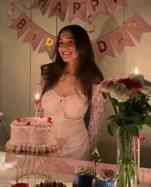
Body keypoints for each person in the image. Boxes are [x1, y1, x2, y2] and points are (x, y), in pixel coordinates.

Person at [40, 24, 105, 160]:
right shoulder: (47, 73)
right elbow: (38, 113)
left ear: (82, 45)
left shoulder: (93, 79)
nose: (64, 48)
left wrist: (87, 150)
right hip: (45, 147)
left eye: (70, 42)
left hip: (77, 151)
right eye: (61, 43)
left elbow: (96, 123)